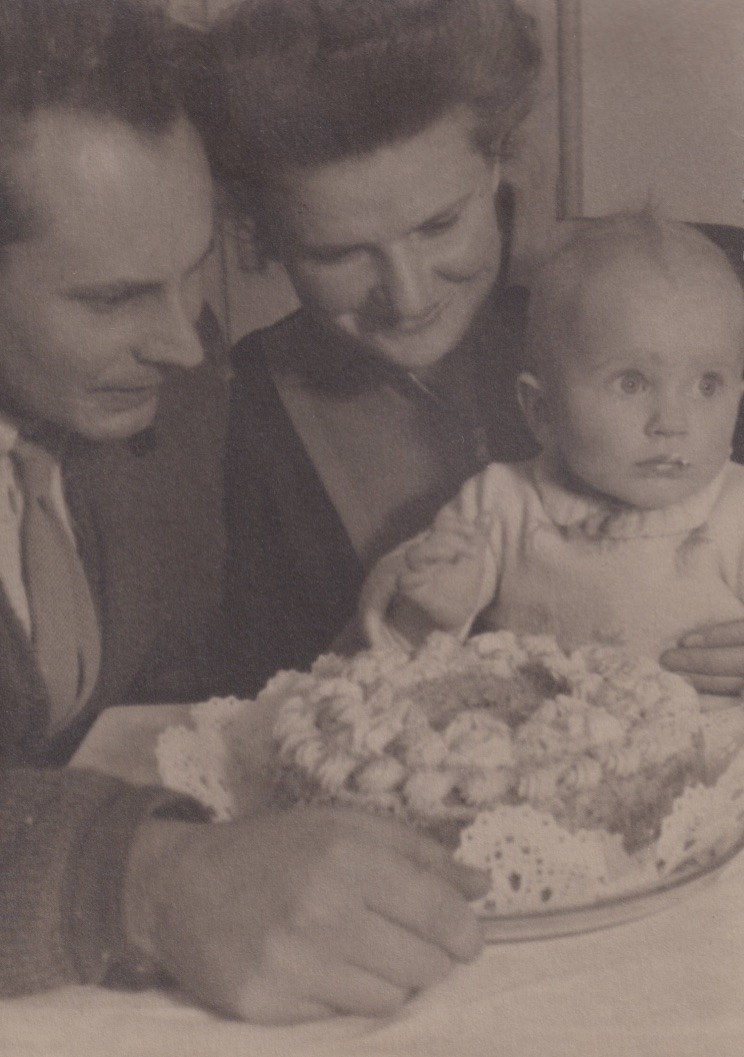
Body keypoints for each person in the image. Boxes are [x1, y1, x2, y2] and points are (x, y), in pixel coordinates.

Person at [0, 0, 487, 1022]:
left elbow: (198, 688)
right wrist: (146, 878)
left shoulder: (174, 395)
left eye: (191, 277)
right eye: (111, 299)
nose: (185, 345)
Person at [210, 0, 542, 697]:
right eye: (339, 254)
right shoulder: (235, 414)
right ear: (266, 237)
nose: (409, 298)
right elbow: (252, 699)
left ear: (496, 160)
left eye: (440, 225)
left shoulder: (681, 302)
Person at [359, 213, 744, 696]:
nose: (672, 422)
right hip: (539, 735)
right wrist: (432, 611)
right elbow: (397, 657)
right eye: (631, 383)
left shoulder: (736, 510)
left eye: (707, 385)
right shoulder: (500, 504)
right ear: (542, 410)